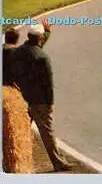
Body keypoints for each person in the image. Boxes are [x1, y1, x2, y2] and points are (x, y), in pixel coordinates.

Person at [13, 22, 72, 172]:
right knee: (47, 132)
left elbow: (35, 45)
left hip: (21, 97)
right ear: (40, 38)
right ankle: (58, 162)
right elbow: (48, 83)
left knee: (19, 131)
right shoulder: (42, 57)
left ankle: (16, 160)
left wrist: (46, 33)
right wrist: (50, 102)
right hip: (39, 101)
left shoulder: (18, 52)